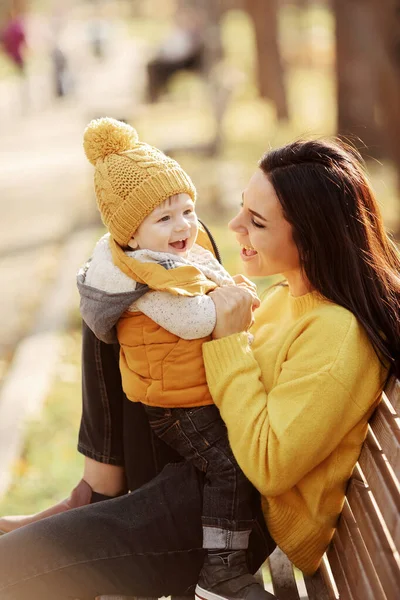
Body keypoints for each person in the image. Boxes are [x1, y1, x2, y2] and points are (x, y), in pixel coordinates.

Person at [0, 137, 398, 600]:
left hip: (230, 516)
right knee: (120, 270)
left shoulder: (336, 335)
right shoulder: (288, 298)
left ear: (311, 238)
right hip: (203, 471)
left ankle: (98, 494)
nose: (235, 226)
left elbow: (268, 468)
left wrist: (227, 341)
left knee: (13, 568)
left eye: (256, 221)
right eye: (242, 208)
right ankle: (98, 490)